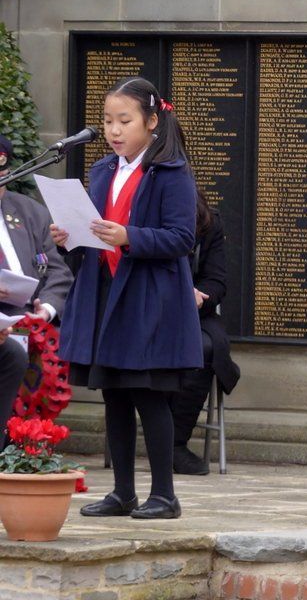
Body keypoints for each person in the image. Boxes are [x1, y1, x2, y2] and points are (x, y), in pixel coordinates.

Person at [53, 77, 203, 519]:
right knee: (115, 395)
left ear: (152, 121)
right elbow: (92, 235)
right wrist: (69, 237)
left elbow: (181, 237)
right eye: (107, 120)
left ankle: (164, 495)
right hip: (107, 293)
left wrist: (128, 236)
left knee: (148, 394)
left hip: (148, 297)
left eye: (125, 120)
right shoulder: (102, 170)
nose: (114, 130)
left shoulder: (171, 172)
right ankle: (122, 492)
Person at [0, 133, 73, 446]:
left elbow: (58, 271)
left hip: (28, 318)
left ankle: (22, 446)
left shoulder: (31, 213)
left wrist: (48, 309)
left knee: (24, 348)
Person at [169, 190, 240, 475]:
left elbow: (217, 281)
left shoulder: (207, 222)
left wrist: (201, 295)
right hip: (146, 311)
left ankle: (175, 443)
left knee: (204, 348)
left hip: (194, 315)